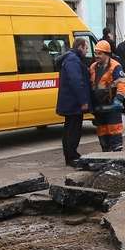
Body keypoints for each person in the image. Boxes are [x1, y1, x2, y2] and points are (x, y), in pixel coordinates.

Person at [88, 39, 125, 152]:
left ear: (107, 54)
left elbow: (121, 83)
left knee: (114, 130)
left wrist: (119, 98)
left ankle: (116, 155)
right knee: (102, 132)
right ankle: (105, 153)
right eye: (96, 53)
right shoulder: (93, 67)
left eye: (100, 53)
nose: (97, 56)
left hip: (112, 105)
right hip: (99, 106)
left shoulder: (115, 66)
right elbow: (91, 84)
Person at [55, 37, 91, 165]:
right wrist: (83, 101)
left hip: (70, 102)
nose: (87, 52)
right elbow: (76, 81)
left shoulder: (71, 59)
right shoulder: (73, 60)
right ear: (80, 47)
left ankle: (71, 154)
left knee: (70, 129)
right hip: (73, 103)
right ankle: (71, 156)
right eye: (86, 48)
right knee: (73, 130)